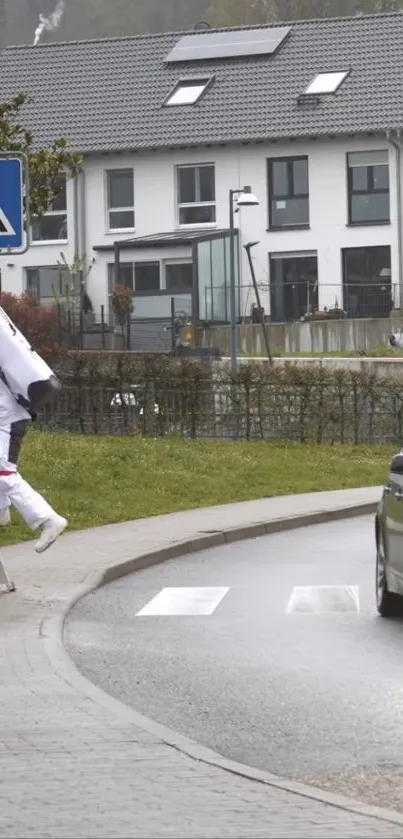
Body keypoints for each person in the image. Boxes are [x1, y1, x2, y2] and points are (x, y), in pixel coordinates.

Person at [0, 376, 67, 552]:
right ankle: (1, 513)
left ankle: (48, 520)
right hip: (10, 415)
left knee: (4, 474)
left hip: (7, 418)